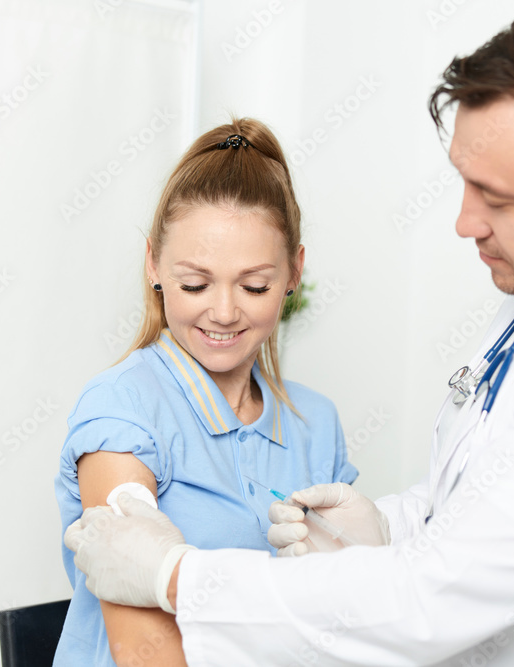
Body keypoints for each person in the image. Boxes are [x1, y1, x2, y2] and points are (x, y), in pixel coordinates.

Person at [63, 5, 514, 665]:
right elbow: (482, 503)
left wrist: (175, 575)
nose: (465, 222)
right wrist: (391, 527)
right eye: (465, 182)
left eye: (497, 198)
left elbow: (432, 598)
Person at [52, 118, 358, 666]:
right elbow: (141, 650)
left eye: (254, 286)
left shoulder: (316, 423)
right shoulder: (122, 409)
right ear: (153, 263)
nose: (223, 311)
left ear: (294, 272)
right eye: (195, 283)